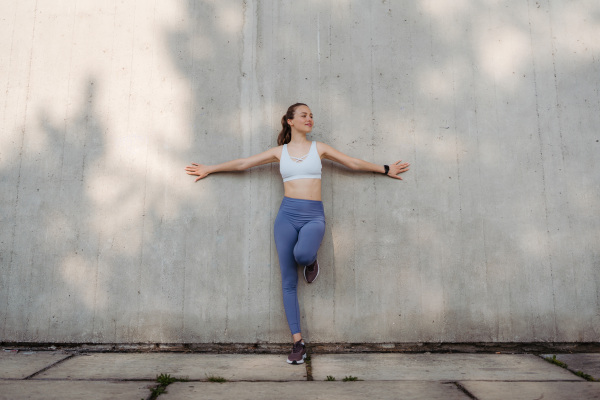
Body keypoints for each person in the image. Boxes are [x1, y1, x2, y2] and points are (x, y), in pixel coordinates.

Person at [185, 103, 410, 364]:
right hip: (286, 217)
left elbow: (352, 162)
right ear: (290, 121)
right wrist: (209, 168)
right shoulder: (279, 152)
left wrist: (385, 168)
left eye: (312, 115)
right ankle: (298, 342)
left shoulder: (320, 148)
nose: (309, 118)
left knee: (302, 255)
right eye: (304, 115)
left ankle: (311, 260)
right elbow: (245, 163)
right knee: (288, 281)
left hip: (314, 215)